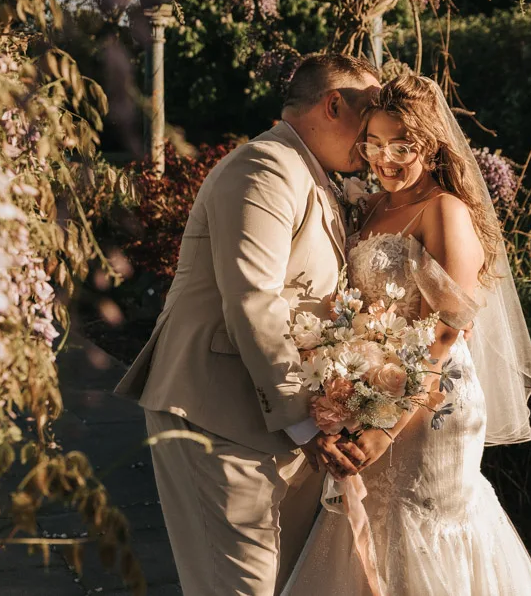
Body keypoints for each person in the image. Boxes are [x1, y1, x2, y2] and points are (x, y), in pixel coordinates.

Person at [115, 54, 381, 596]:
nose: (374, 137)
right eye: (369, 115)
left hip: (278, 422)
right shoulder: (264, 168)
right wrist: (307, 426)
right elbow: (253, 302)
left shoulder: (314, 176)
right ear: (334, 104)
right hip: (216, 415)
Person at [280, 69, 531, 596]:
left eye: (401, 145)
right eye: (374, 143)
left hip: (430, 405)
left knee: (417, 529)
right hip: (375, 388)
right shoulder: (374, 204)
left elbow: (447, 331)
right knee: (368, 532)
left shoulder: (444, 210)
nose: (384, 158)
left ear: (430, 144)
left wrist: (384, 425)